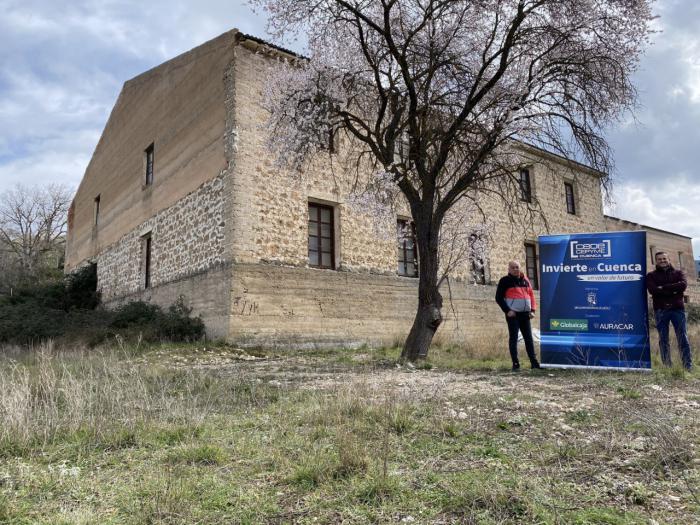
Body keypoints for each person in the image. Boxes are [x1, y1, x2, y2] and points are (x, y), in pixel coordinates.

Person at [646, 251, 693, 370]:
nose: (662, 261)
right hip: (660, 310)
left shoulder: (679, 273)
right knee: (663, 339)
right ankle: (667, 367)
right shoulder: (651, 275)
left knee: (683, 337)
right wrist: (673, 289)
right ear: (656, 261)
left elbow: (682, 285)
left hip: (677, 309)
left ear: (669, 259)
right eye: (659, 259)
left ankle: (688, 366)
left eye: (664, 259)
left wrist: (664, 287)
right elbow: (653, 290)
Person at [495, 261, 541, 370]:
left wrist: (533, 310)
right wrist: (507, 310)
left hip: (525, 315)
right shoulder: (504, 281)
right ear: (509, 269)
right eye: (513, 267)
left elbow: (531, 296)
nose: (515, 269)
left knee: (529, 339)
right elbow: (498, 298)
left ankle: (534, 364)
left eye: (517, 267)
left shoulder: (526, 280)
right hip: (513, 315)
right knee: (514, 338)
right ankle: (515, 364)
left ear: (520, 268)